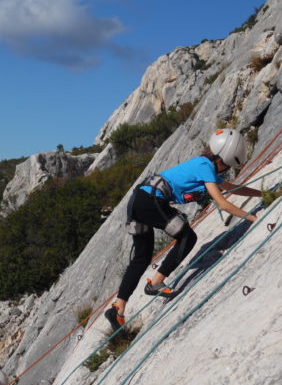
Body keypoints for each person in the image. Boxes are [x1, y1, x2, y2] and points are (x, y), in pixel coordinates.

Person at [105, 128, 262, 334]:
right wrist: (256, 219)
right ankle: (155, 284)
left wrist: (261, 193)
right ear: (222, 159)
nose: (224, 170)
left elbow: (231, 187)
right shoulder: (205, 166)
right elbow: (223, 203)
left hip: (138, 201)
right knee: (187, 236)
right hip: (151, 199)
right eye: (226, 166)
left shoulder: (204, 166)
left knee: (141, 258)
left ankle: (118, 308)